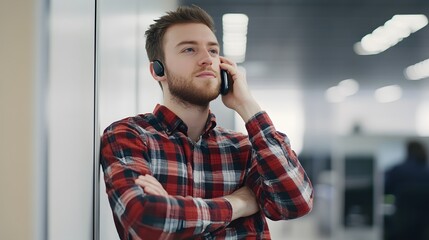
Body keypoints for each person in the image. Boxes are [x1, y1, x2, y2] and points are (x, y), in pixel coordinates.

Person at [100, 5, 313, 240]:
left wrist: (248, 106)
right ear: (158, 70)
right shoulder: (128, 136)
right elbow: (149, 221)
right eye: (189, 49)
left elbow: (295, 203)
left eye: (213, 51)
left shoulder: (243, 148)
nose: (207, 60)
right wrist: (237, 204)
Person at [384, 140, 429, 240]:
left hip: (400, 227)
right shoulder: (427, 172)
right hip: (424, 230)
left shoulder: (397, 170)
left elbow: (384, 190)